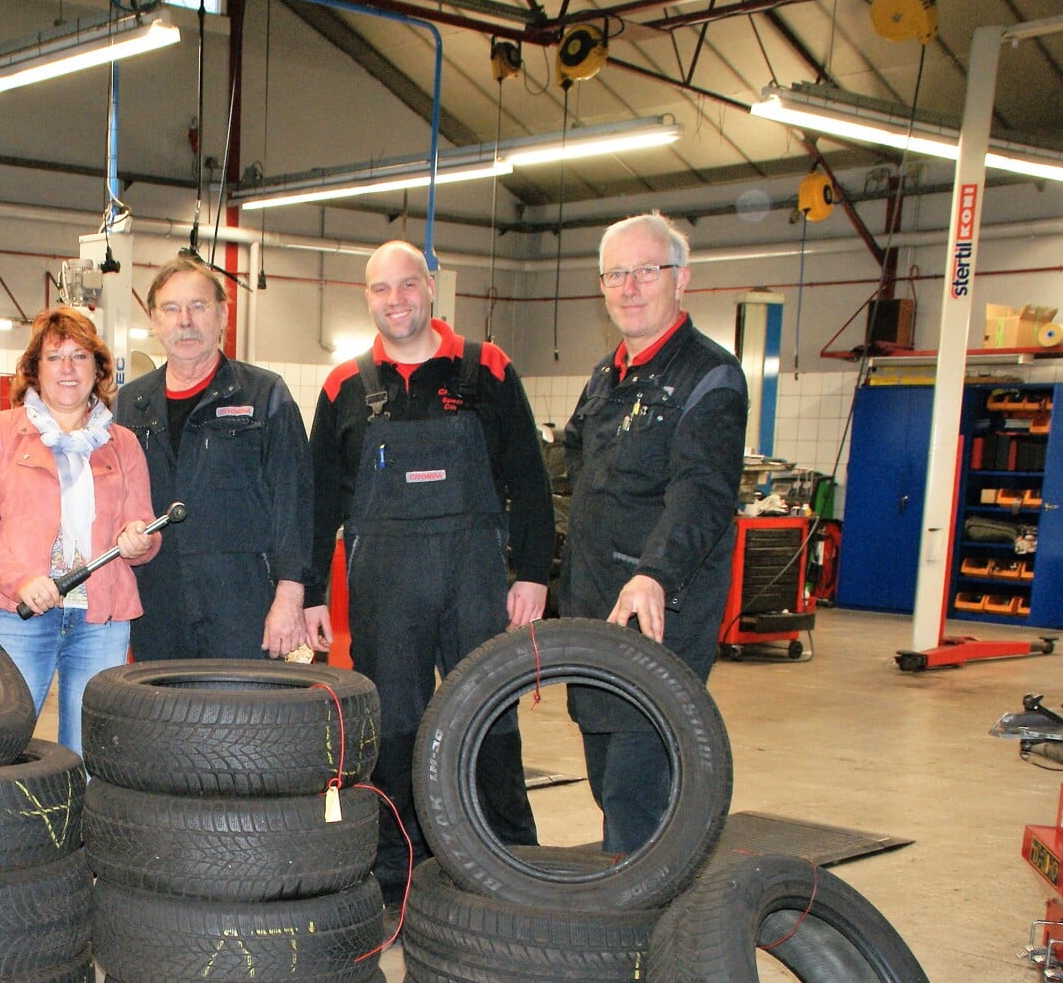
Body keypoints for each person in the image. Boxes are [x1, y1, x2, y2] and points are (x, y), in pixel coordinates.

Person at [302, 240, 554, 907]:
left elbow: (529, 477)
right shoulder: (344, 385)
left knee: (488, 709)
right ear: (367, 298)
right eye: (382, 289)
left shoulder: (487, 368)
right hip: (386, 582)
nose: (397, 300)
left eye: (408, 285)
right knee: (395, 720)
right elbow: (318, 499)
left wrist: (533, 571)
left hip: (474, 571)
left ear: (432, 288)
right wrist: (308, 591)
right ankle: (396, 866)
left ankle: (509, 854)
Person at [561, 211, 747, 854]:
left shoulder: (709, 377)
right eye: (616, 273)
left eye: (647, 270)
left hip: (660, 608)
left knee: (637, 786)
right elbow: (580, 471)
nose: (630, 287)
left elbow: (704, 491)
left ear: (681, 280)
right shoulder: (605, 375)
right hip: (594, 605)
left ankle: (640, 934)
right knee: (607, 769)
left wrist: (655, 573)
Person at [0, 307, 159, 753]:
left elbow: (146, 530)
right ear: (33, 369)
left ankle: (78, 825)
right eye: (54, 357)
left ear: (98, 368)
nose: (68, 369)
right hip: (21, 614)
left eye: (80, 356)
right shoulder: (1, 432)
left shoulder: (122, 443)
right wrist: (20, 581)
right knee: (4, 748)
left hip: (101, 621)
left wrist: (139, 539)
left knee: (89, 751)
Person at [116, 256, 313, 660]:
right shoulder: (130, 403)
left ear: (222, 315)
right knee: (166, 717)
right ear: (154, 320)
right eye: (170, 309)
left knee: (244, 718)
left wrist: (290, 596)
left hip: (243, 602)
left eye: (198, 306)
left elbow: (294, 503)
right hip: (158, 601)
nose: (184, 320)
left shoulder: (264, 395)